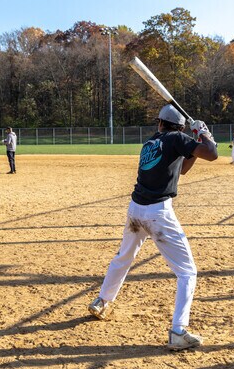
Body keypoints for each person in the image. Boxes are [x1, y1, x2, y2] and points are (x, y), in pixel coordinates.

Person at [88, 104, 218, 351]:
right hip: (158, 213)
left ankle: (103, 300)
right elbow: (211, 154)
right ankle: (178, 331)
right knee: (187, 272)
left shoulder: (151, 143)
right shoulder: (177, 138)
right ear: (179, 127)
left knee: (124, 257)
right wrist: (204, 133)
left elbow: (182, 170)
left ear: (159, 123)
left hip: (136, 209)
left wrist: (195, 141)